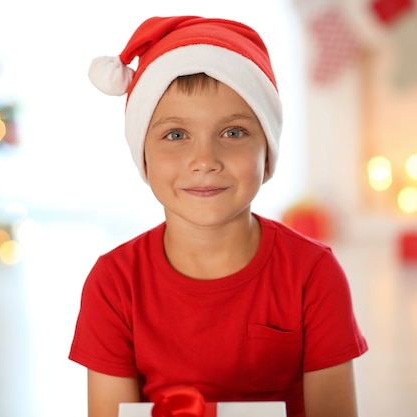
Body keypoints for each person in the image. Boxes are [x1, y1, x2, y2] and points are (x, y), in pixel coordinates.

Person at [69, 15, 368, 417]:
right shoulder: (114, 283)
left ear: (267, 154)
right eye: (175, 135)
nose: (205, 161)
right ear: (144, 156)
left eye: (233, 133)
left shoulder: (313, 275)